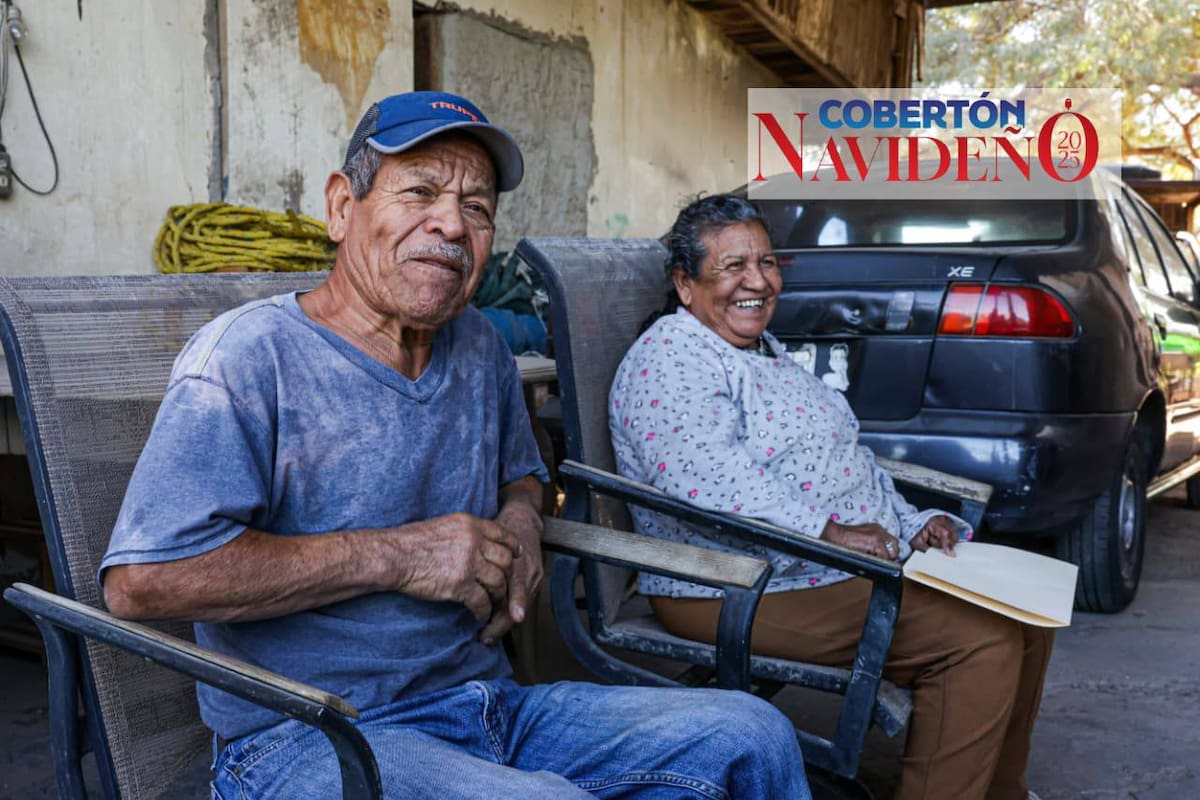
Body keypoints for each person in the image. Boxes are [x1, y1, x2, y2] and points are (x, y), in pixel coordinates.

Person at [99, 94, 809, 800]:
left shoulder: (478, 347)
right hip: (311, 739)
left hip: (487, 708)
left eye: (477, 207)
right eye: (420, 191)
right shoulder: (249, 357)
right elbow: (143, 581)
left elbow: (524, 477)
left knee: (751, 735)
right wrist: (403, 555)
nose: (450, 222)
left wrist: (525, 523)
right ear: (343, 208)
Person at [609, 193, 1053, 800]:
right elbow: (712, 481)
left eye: (766, 264)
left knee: (1029, 612)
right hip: (735, 583)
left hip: (821, 565)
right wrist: (832, 532)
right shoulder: (672, 357)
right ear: (685, 284)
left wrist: (912, 518)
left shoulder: (762, 353)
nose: (757, 282)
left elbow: (846, 464)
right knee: (978, 640)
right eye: (732, 266)